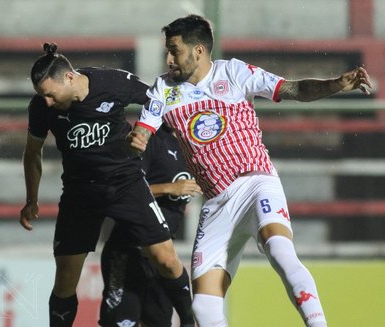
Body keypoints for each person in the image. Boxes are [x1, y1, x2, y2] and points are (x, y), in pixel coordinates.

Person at [128, 15, 372, 327]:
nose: (168, 59)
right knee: (203, 306)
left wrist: (335, 85)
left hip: (256, 182)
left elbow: (292, 89)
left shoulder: (234, 72)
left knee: (280, 251)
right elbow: (144, 130)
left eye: (174, 51)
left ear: (198, 51)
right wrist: (137, 140)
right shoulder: (164, 88)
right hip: (217, 204)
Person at [20, 43, 202, 327]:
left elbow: (158, 99)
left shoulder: (113, 82)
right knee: (65, 280)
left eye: (50, 95)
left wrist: (146, 130)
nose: (48, 102)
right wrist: (31, 199)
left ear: (69, 78)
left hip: (125, 183)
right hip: (80, 193)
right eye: (43, 97)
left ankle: (192, 321)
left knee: (166, 260)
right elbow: (33, 153)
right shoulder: (40, 108)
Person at [99, 124, 199, 327]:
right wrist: (169, 188)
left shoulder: (195, 144)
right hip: (128, 250)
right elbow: (123, 188)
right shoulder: (152, 140)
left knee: (159, 322)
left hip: (160, 256)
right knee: (120, 322)